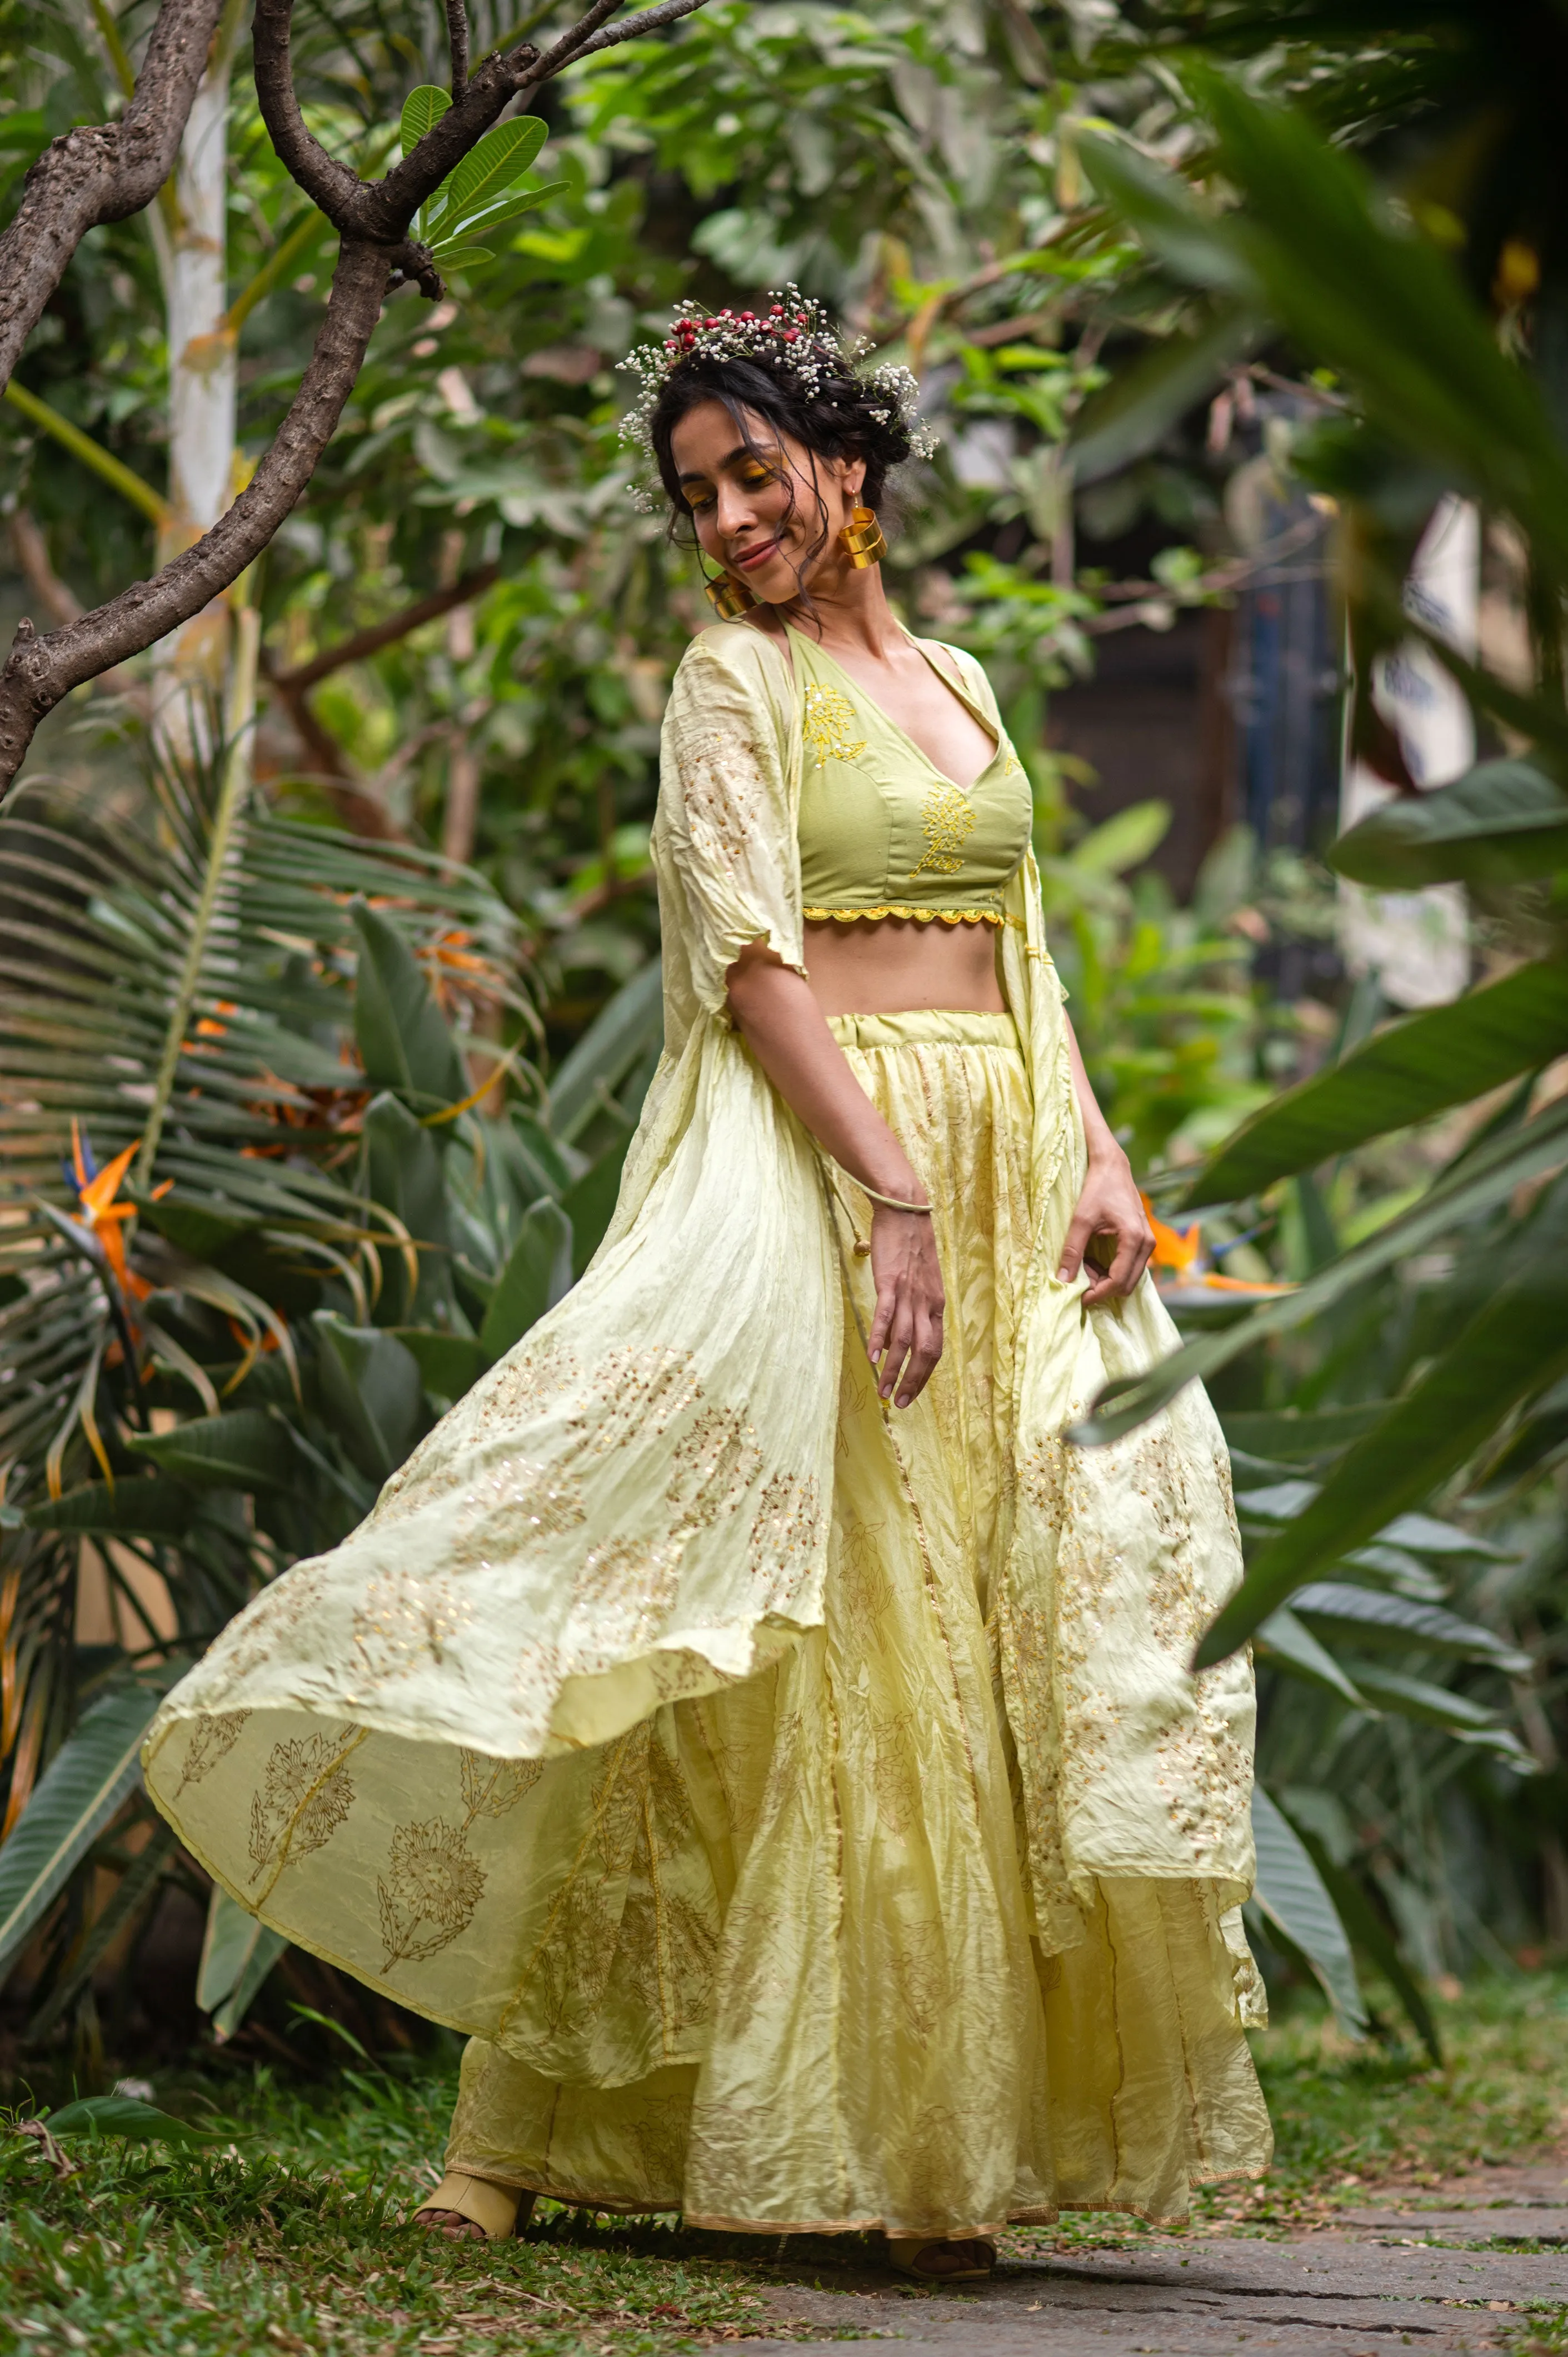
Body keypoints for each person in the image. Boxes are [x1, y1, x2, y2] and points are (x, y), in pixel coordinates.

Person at [143, 291, 1271, 2282]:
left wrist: (1096, 1156)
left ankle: (939, 2138)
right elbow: (752, 967)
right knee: (783, 1646)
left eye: (758, 471)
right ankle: (518, 2133)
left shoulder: (966, 677)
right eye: (697, 493)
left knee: (1001, 1630)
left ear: (847, 462)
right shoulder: (726, 690)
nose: (732, 518)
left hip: (1009, 1173)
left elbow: (1027, 952)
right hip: (839, 1176)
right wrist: (892, 1195)